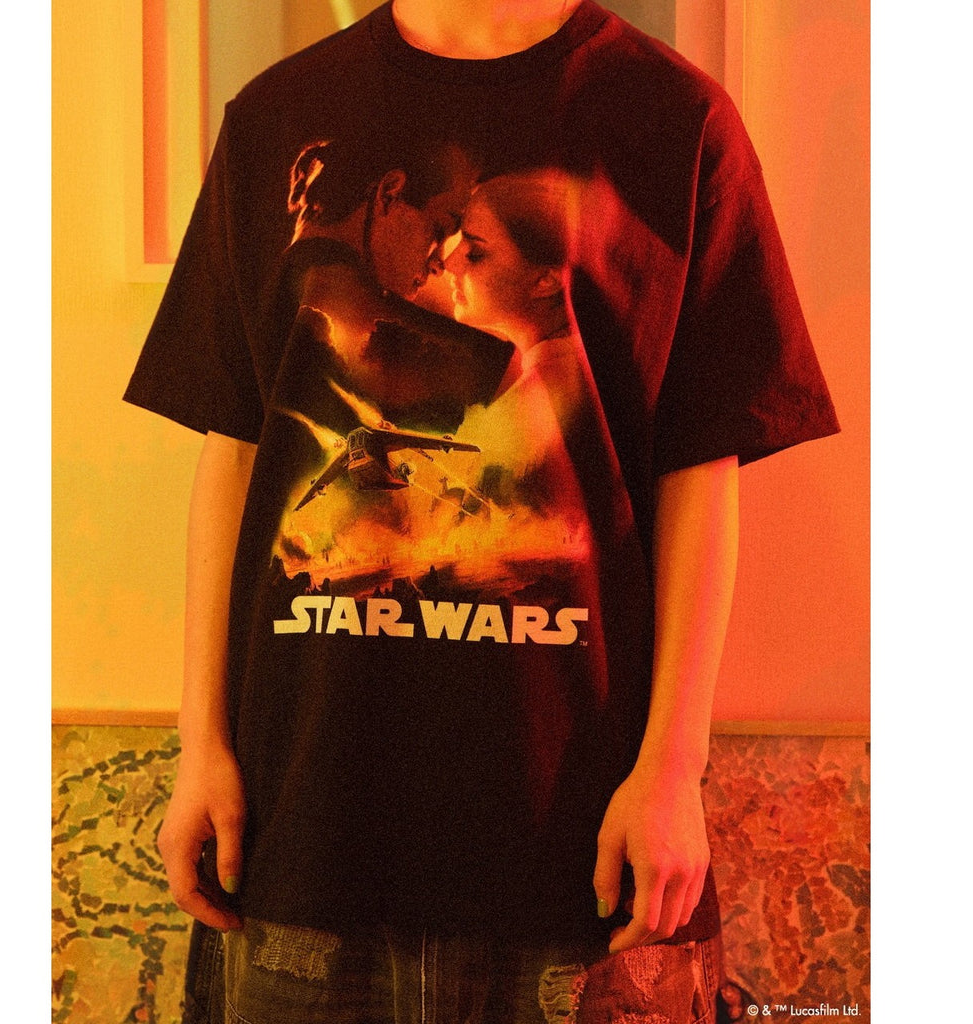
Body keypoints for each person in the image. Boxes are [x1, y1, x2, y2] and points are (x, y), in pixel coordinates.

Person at [124, 1, 840, 1021]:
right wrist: (202, 745)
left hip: (580, 850)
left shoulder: (675, 121)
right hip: (302, 833)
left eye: (469, 250)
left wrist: (673, 771)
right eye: (441, 240)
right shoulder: (276, 114)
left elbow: (700, 471)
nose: (440, 271)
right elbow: (235, 453)